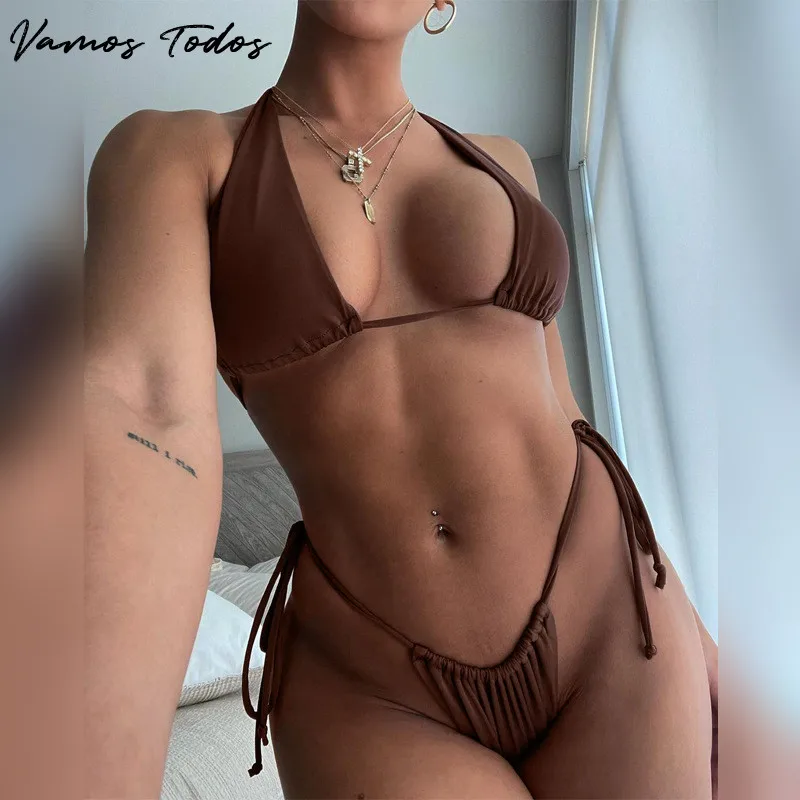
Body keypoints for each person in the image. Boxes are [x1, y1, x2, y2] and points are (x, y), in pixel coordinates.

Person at [85, 1, 718, 797]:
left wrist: (694, 629)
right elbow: (148, 416)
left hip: (615, 628)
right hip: (371, 684)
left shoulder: (505, 164)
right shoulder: (177, 155)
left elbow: (567, 417)